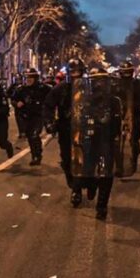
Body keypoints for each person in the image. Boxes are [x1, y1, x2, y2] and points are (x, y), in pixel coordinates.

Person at [69, 66, 122, 220]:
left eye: (101, 81)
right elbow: (77, 119)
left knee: (106, 174)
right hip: (89, 140)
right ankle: (90, 186)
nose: (99, 84)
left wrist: (116, 136)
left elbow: (118, 122)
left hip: (107, 141)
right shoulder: (83, 99)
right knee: (87, 170)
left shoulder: (114, 100)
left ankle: (102, 206)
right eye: (95, 81)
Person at [44, 58, 86, 205]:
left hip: (85, 129)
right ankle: (74, 186)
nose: (75, 75)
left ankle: (80, 187)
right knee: (67, 159)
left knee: (85, 159)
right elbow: (48, 106)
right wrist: (49, 123)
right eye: (73, 72)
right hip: (66, 128)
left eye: (78, 72)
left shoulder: (89, 88)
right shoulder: (59, 89)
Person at [12, 68, 51, 165]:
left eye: (31, 77)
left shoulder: (44, 88)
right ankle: (34, 154)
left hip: (38, 115)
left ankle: (37, 155)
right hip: (26, 116)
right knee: (29, 136)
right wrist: (17, 103)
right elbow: (13, 99)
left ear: (35, 78)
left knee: (34, 135)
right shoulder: (21, 89)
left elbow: (53, 97)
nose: (28, 80)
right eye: (27, 77)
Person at [115, 61, 140, 172]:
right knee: (116, 142)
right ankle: (118, 165)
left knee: (134, 140)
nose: (126, 75)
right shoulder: (115, 85)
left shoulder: (138, 84)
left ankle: (134, 158)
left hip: (134, 116)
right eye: (124, 72)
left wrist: (132, 106)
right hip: (118, 117)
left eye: (128, 72)